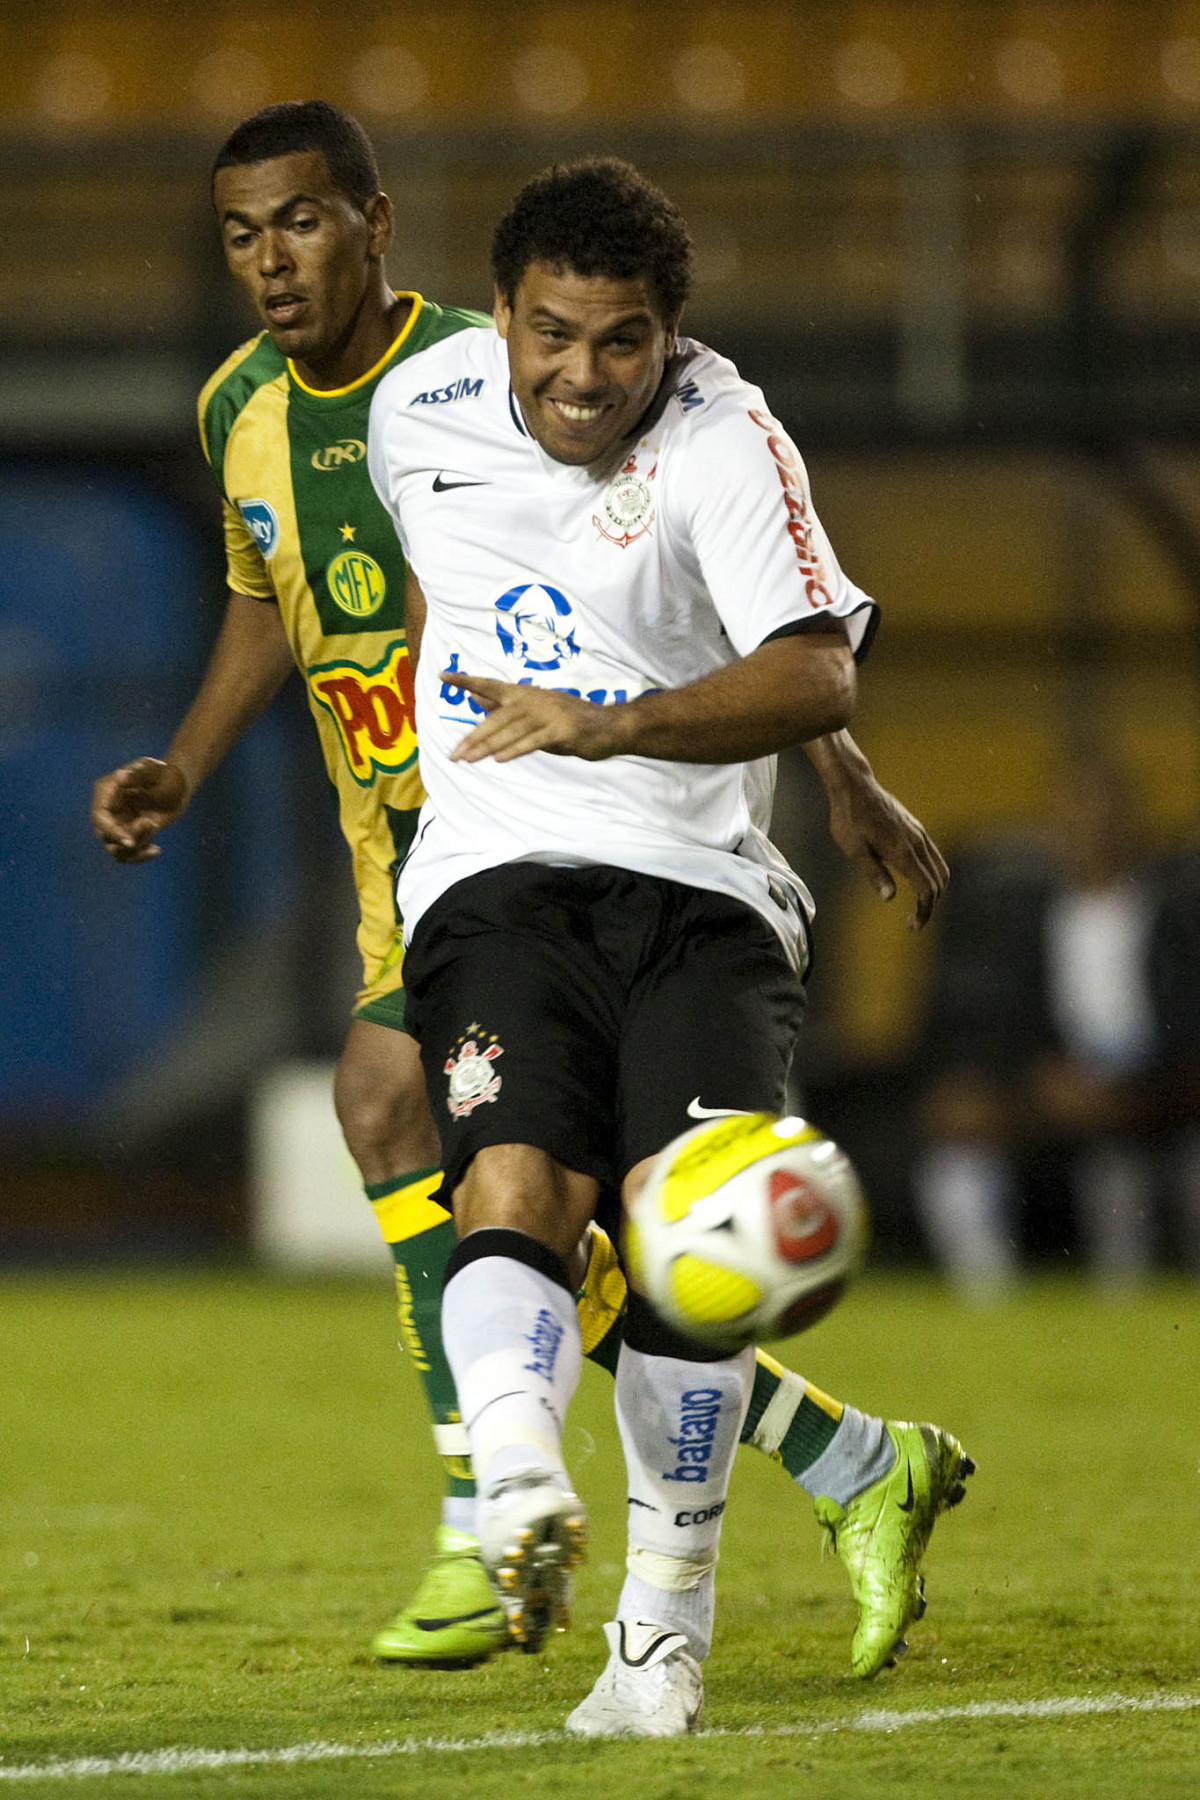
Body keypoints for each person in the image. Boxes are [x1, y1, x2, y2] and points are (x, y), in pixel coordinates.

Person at [91, 103, 961, 1684]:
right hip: (448, 835)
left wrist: (828, 768)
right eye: (241, 233)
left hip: (641, 845)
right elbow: (287, 599)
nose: (273, 261)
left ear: (377, 224)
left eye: (301, 223)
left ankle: (598, 1539)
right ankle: (541, 1490)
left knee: (563, 1191)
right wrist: (187, 764)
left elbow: (767, 635)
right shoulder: (264, 412)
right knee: (482, 1164)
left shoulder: (588, 392)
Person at [367, 155, 973, 1735]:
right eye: (552, 335)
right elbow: (454, 594)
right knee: (510, 1190)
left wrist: (794, 768)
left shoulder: (727, 434)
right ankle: (514, 1493)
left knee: (685, 1246)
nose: (583, 375)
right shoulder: (413, 412)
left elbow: (809, 667)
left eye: (621, 341)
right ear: (497, 313)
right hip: (494, 868)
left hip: (701, 890)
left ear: (671, 334)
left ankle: (661, 1634)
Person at [912, 750, 1200, 1293]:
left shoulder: (1176, 913)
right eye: (1075, 808)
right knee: (956, 1146)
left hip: (1154, 1093)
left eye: (1103, 808)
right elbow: (1003, 1020)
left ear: (1131, 818)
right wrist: (1030, 1083)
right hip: (1050, 1088)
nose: (1089, 825)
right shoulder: (1023, 916)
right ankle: (985, 1303)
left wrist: (1141, 1092)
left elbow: (1185, 1020)